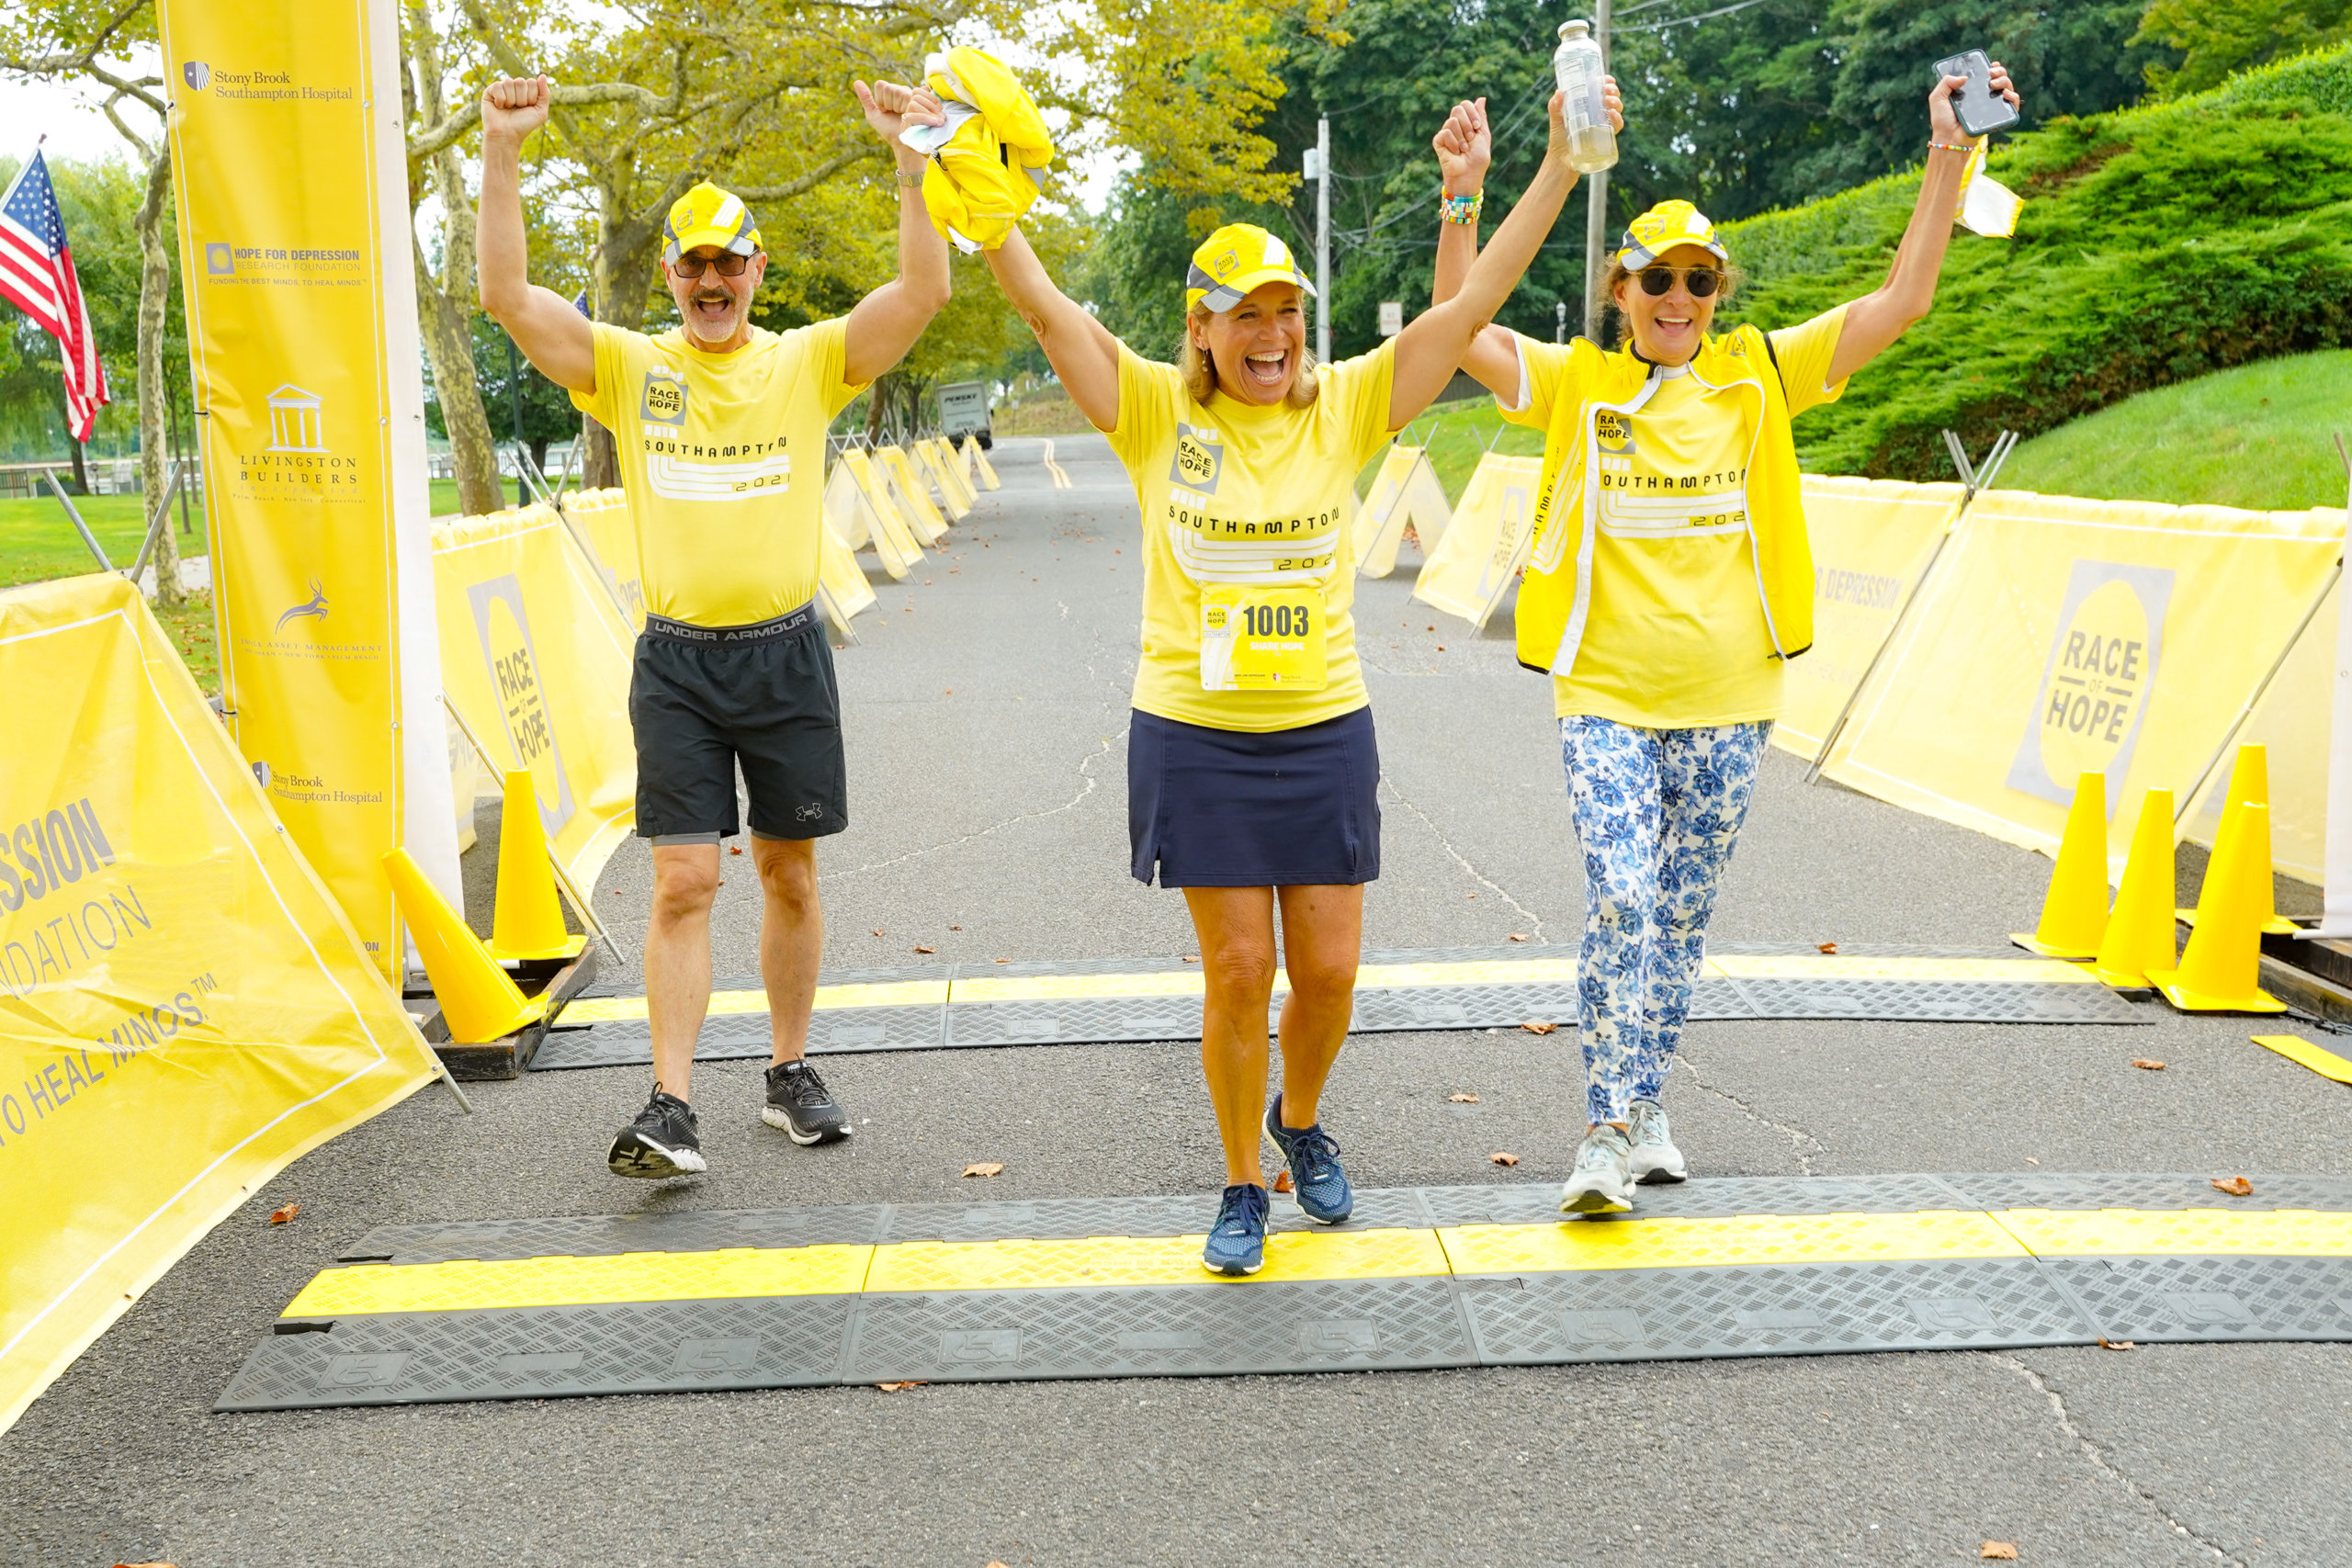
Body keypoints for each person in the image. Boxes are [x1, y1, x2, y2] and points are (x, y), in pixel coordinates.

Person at [980, 85, 1620, 1273]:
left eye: (1287, 311)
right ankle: (1239, 1181)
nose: (1272, 333)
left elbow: (1473, 301)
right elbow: (1049, 307)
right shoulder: (1155, 411)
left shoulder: (1347, 405)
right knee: (1238, 970)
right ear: (1203, 327)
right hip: (1195, 730)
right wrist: (970, 196)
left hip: (1323, 726)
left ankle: (1301, 1116)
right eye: (1246, 315)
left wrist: (1556, 171)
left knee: (1325, 972)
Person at [1430, 67, 2020, 1214]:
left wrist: (1948, 155)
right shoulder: (1580, 385)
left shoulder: (1757, 372)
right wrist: (1464, 196)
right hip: (1602, 693)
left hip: (1731, 702)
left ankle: (1647, 1103)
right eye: (1659, 279)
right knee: (1621, 898)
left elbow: (1899, 305)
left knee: (1681, 920)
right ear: (1621, 291)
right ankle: (1603, 1132)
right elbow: (1461, 334)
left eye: (1699, 280)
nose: (1680, 297)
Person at [475, 73, 952, 1179]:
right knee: (686, 880)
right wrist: (503, 151)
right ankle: (670, 1105)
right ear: (670, 279)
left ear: (755, 273)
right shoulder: (631, 369)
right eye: (691, 265)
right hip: (679, 665)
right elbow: (507, 293)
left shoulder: (806, 361)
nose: (710, 282)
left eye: (728, 263)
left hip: (785, 654)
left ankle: (789, 1072)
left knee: (788, 872)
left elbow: (921, 292)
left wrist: (911, 164)